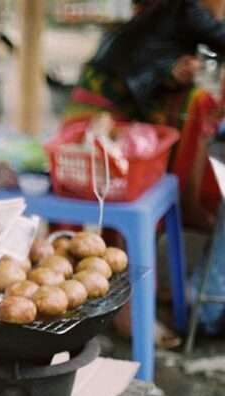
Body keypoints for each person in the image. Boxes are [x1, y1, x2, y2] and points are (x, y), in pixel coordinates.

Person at [62, 0, 225, 230]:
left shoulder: (164, 12)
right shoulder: (186, 6)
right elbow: (219, 36)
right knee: (88, 175)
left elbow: (152, 58)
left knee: (99, 181)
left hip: (104, 88)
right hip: (102, 97)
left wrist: (172, 73)